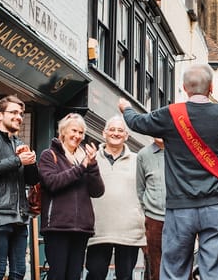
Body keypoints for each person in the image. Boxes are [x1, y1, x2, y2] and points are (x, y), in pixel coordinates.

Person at [118, 63, 218, 280]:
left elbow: (137, 122)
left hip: (180, 207)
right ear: (211, 88)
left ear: (184, 88)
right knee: (213, 270)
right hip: (216, 206)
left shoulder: (170, 114)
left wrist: (126, 108)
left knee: (175, 269)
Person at [0, 95, 40, 280]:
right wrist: (17, 160)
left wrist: (31, 163)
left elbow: (32, 180)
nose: (19, 117)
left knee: (19, 271)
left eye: (21, 113)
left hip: (20, 215)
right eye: (13, 112)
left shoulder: (20, 143)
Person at [38, 113, 105, 280]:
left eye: (81, 133)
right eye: (74, 131)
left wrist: (93, 165)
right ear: (63, 132)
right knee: (57, 275)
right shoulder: (49, 155)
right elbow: (53, 183)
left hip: (81, 228)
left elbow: (97, 191)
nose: (77, 136)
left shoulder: (85, 158)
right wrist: (81, 167)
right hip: (57, 227)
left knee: (74, 276)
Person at [86, 115, 146, 280]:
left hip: (129, 231)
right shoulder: (91, 159)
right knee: (95, 275)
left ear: (126, 136)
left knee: (125, 277)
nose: (116, 133)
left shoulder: (138, 160)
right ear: (103, 133)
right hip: (98, 229)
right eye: (112, 129)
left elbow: (145, 191)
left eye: (120, 130)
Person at [136, 137, 166, 280]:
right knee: (156, 267)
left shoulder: (181, 150)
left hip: (180, 217)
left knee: (183, 264)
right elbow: (140, 189)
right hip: (154, 220)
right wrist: (148, 211)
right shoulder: (143, 155)